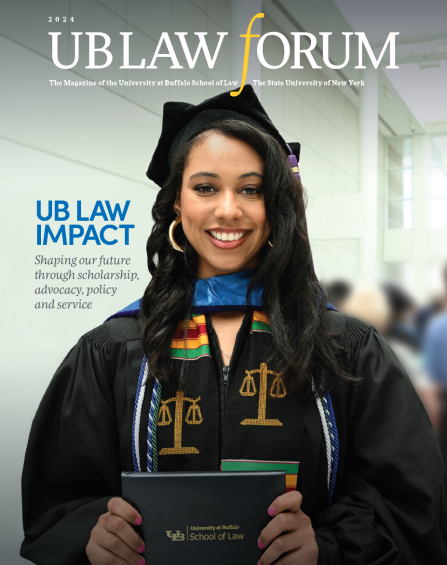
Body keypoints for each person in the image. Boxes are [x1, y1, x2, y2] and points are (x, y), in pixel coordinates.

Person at [21, 86, 447, 565]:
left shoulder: (345, 347)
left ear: (276, 207)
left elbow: (409, 507)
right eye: (205, 188)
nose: (228, 209)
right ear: (177, 203)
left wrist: (326, 550)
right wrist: (96, 536)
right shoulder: (114, 349)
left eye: (251, 189)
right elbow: (58, 504)